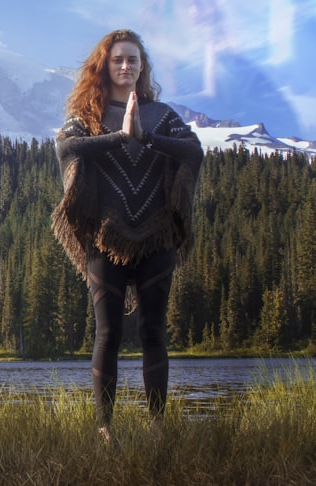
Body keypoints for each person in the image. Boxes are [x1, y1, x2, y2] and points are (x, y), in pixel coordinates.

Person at [52, 29, 203, 442]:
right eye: (118, 59)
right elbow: (66, 149)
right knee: (109, 333)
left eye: (133, 60)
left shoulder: (162, 115)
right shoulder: (87, 115)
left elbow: (194, 151)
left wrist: (147, 136)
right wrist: (120, 136)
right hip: (105, 237)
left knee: (154, 330)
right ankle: (106, 429)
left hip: (157, 237)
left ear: (142, 66)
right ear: (104, 65)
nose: (125, 66)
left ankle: (157, 426)